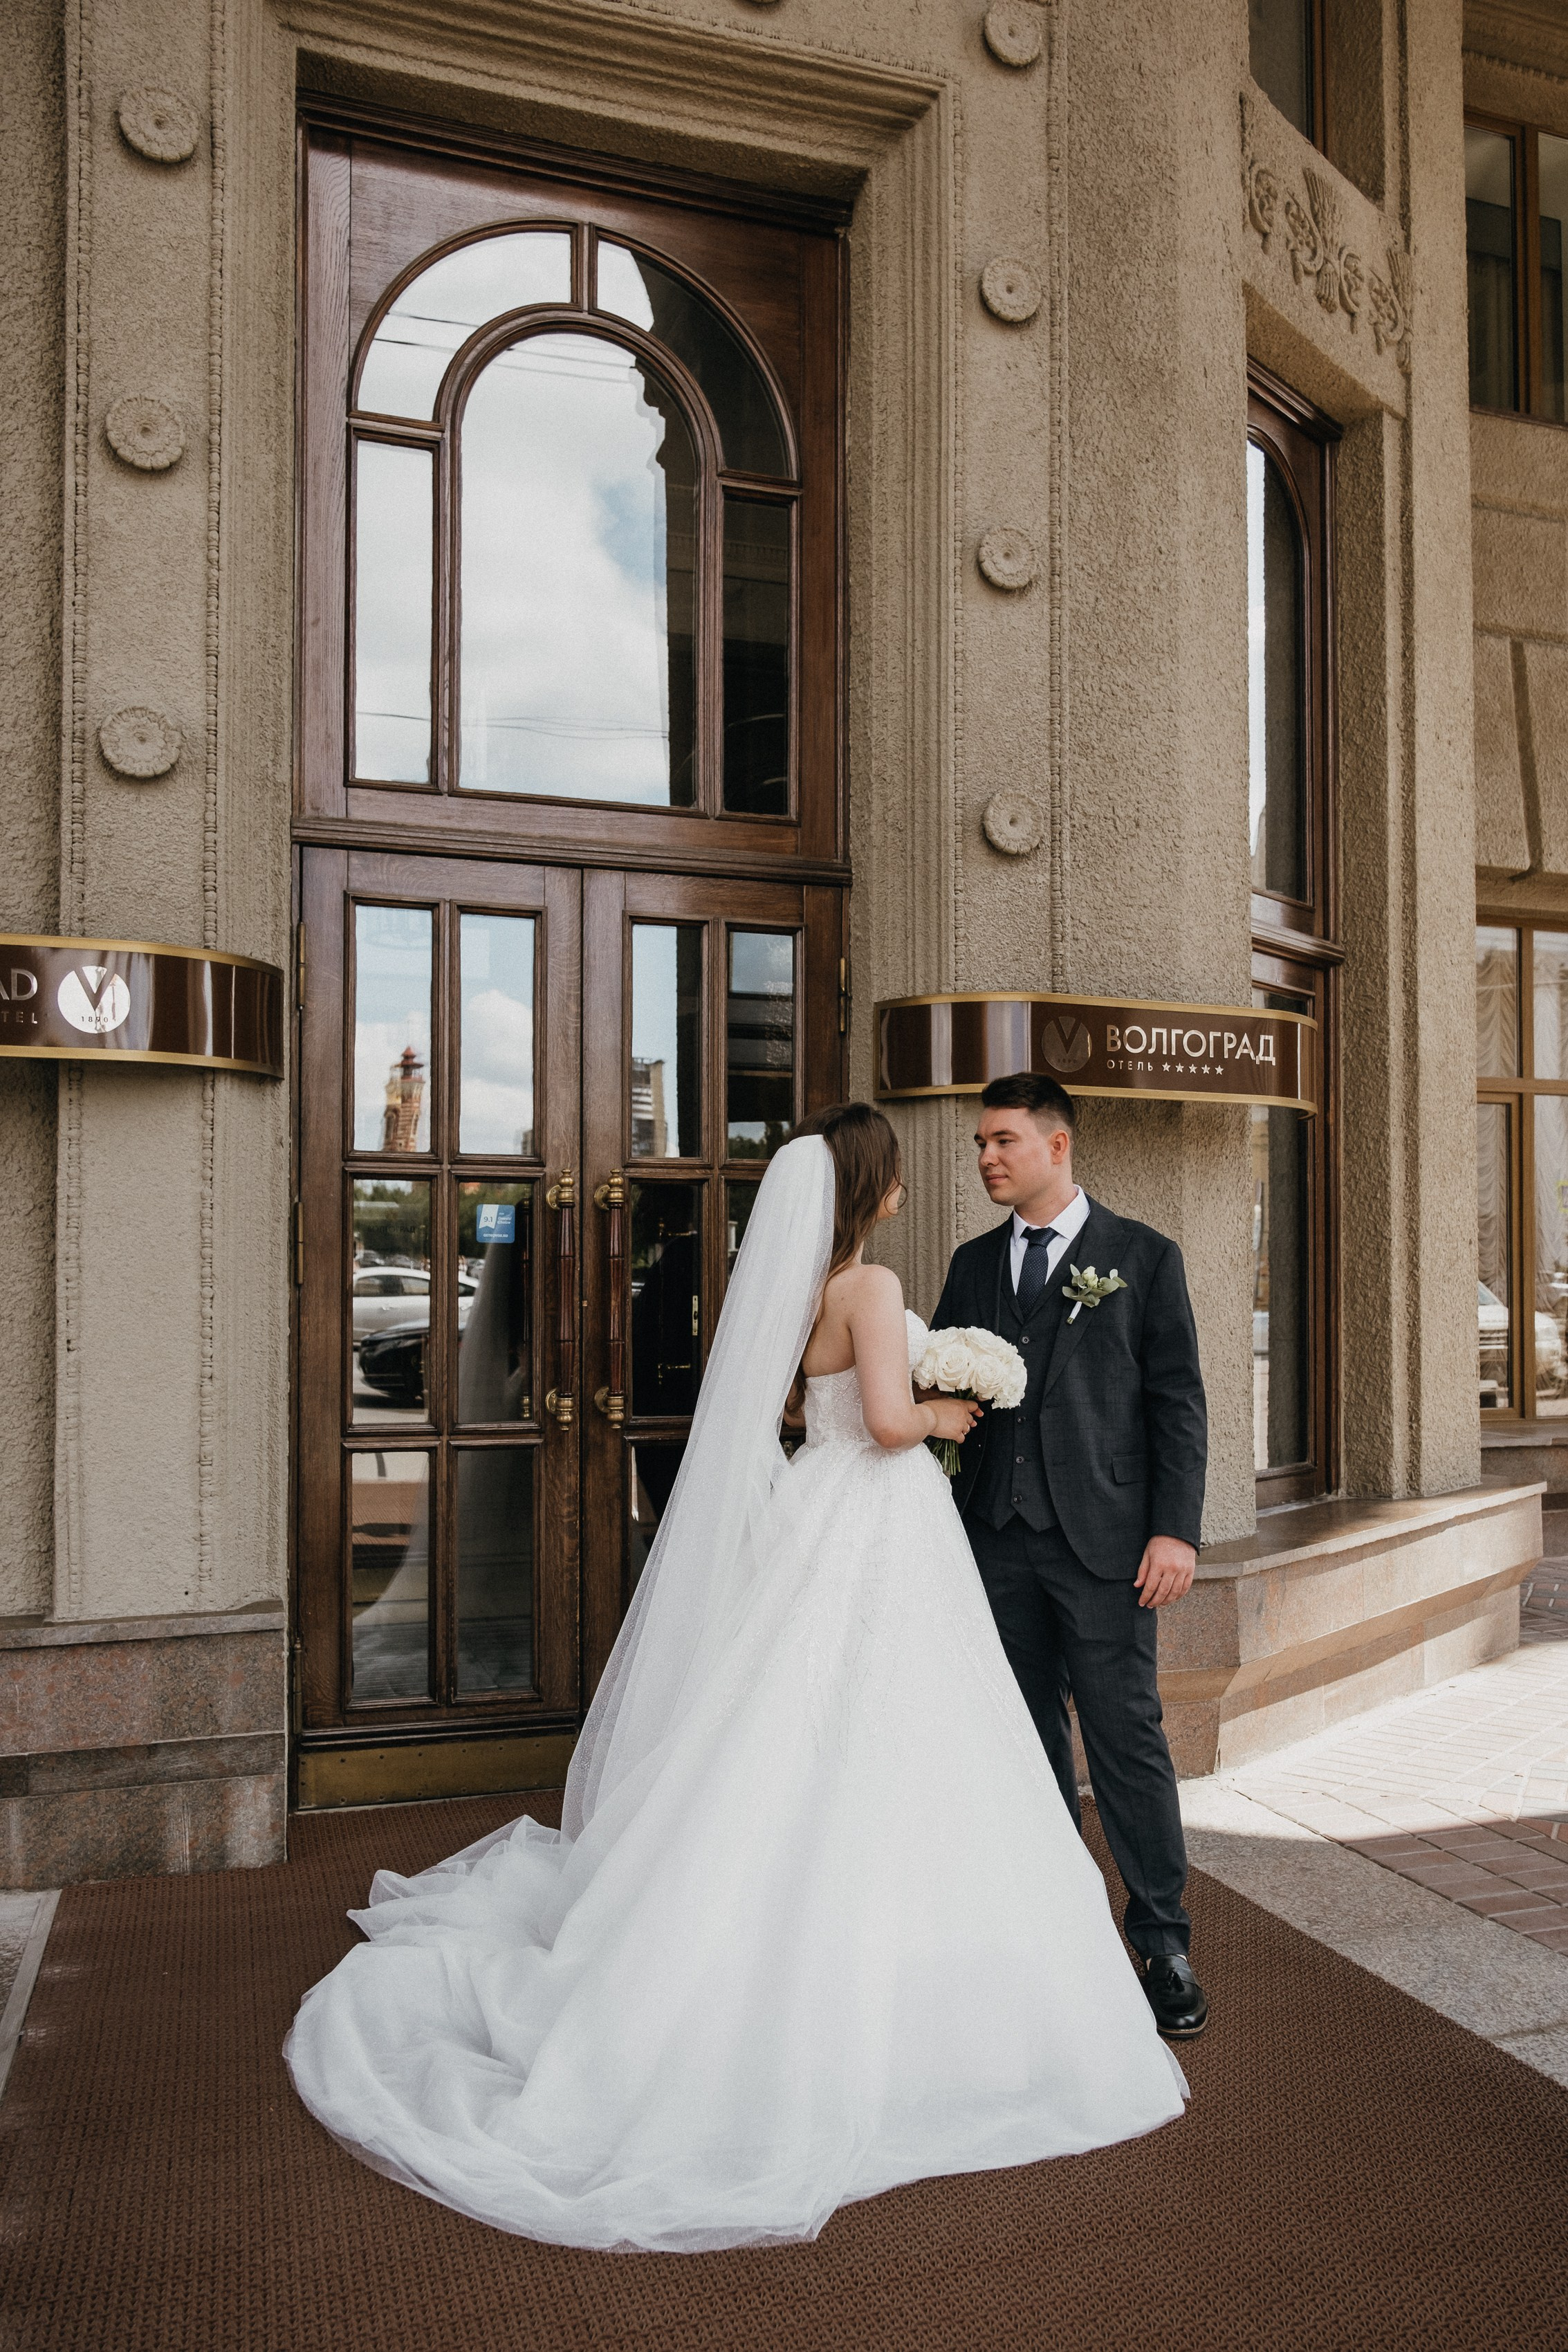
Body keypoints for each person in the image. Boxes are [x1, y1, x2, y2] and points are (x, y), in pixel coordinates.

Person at [285, 1104, 1186, 2253]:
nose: (927, 1179)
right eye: (904, 1170)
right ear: (871, 1187)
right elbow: (891, 1424)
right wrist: (951, 1404)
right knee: (904, 1728)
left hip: (821, 1512)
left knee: (795, 1729)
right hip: (881, 1519)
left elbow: (786, 1415)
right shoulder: (874, 1286)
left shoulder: (801, 1293)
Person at [930, 1074, 1210, 2039]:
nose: (986, 1159)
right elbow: (939, 1393)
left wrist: (1175, 1529)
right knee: (1027, 1738)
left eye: (1002, 1140)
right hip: (994, 1543)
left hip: (1107, 1548)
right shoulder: (970, 1264)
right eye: (978, 1144)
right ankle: (1057, 1921)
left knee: (1126, 1737)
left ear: (1059, 1145)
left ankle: (1163, 1938)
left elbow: (1177, 1403)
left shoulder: (1142, 1256)